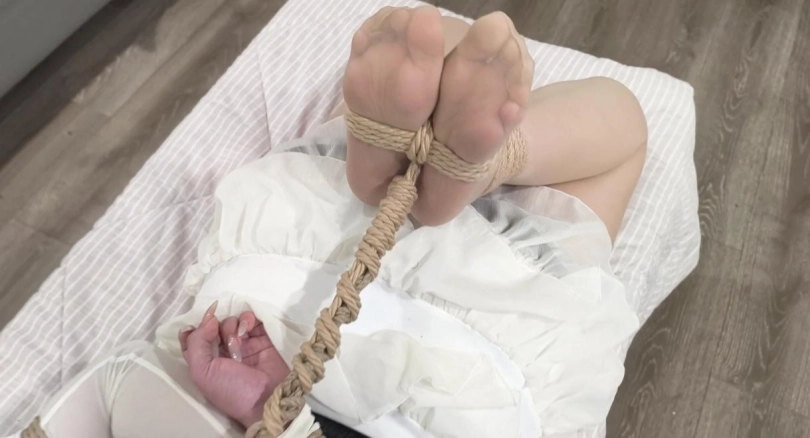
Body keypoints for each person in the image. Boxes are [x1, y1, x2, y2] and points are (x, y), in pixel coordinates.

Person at [13, 5, 646, 438]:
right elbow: (98, 400)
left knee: (614, 130)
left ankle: (459, 162)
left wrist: (278, 414)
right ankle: (444, 162)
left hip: (472, 374)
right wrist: (272, 412)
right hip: (277, 294)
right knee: (453, 43)